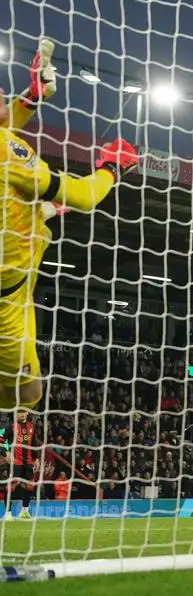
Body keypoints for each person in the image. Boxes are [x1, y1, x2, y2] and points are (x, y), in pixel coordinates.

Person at [0, 40, 137, 409]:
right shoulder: (9, 153)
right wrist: (112, 168)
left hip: (16, 283)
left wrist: (33, 97)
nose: (2, 92)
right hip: (7, 302)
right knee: (28, 395)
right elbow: (83, 196)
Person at [4, 409, 37, 520]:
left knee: (30, 486)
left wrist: (36, 458)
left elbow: (34, 443)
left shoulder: (31, 426)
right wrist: (6, 452)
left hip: (28, 462)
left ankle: (24, 511)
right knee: (11, 486)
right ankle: (8, 513)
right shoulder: (10, 426)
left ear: (27, 413)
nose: (21, 414)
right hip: (15, 462)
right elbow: (1, 439)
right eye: (19, 412)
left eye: (23, 412)